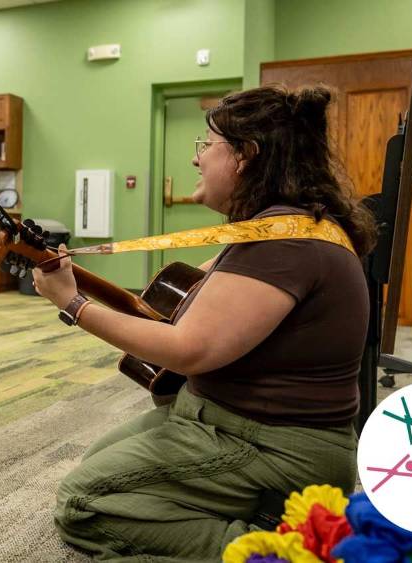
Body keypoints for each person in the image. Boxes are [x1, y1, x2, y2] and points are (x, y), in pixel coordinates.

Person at [32, 85, 377, 561]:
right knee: (101, 470)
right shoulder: (279, 229)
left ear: (245, 156)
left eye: (207, 146)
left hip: (273, 446)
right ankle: (253, 513)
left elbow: (190, 348)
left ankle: (275, 550)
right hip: (222, 418)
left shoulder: (285, 243)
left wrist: (74, 305)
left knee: (83, 503)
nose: (197, 160)